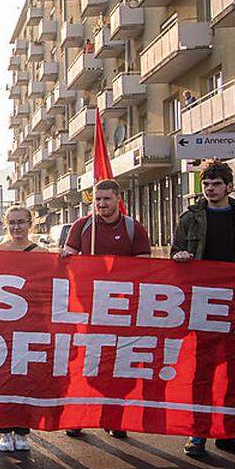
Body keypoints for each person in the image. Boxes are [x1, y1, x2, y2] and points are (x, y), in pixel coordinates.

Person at [170, 160, 235, 458]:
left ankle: (230, 432)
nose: (210, 189)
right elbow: (175, 253)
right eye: (206, 185)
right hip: (204, 306)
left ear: (228, 186)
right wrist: (180, 255)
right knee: (203, 372)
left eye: (215, 184)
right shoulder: (189, 219)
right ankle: (197, 433)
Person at [60, 178, 151, 439]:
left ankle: (114, 417)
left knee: (116, 366)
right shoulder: (82, 226)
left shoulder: (134, 229)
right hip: (86, 309)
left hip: (119, 311)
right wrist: (66, 257)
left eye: (106, 199)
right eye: (97, 200)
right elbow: (67, 260)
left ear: (117, 199)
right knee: (84, 364)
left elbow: (144, 269)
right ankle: (78, 416)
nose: (101, 204)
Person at [0, 205, 46, 453]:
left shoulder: (43, 254)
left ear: (30, 223)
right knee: (3, 378)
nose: (16, 227)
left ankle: (22, 430)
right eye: (11, 222)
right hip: (2, 324)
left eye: (21, 222)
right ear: (5, 224)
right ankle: (4, 430)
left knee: (26, 378)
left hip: (33, 323)